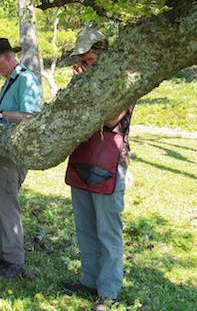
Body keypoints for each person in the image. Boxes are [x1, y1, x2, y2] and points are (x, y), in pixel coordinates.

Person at [61, 27, 134, 311]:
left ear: (102, 52)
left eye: (89, 57)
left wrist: (88, 85)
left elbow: (110, 118)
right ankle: (89, 280)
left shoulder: (123, 80)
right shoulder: (85, 80)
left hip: (109, 160)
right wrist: (79, 86)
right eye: (83, 58)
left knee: (108, 230)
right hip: (83, 157)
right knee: (85, 227)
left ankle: (108, 291)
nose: (85, 62)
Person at [0, 38, 42, 278]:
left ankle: (14, 260)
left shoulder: (26, 79)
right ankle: (4, 253)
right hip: (4, 151)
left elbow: (32, 116)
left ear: (7, 56)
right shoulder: (11, 80)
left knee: (7, 203)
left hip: (15, 153)